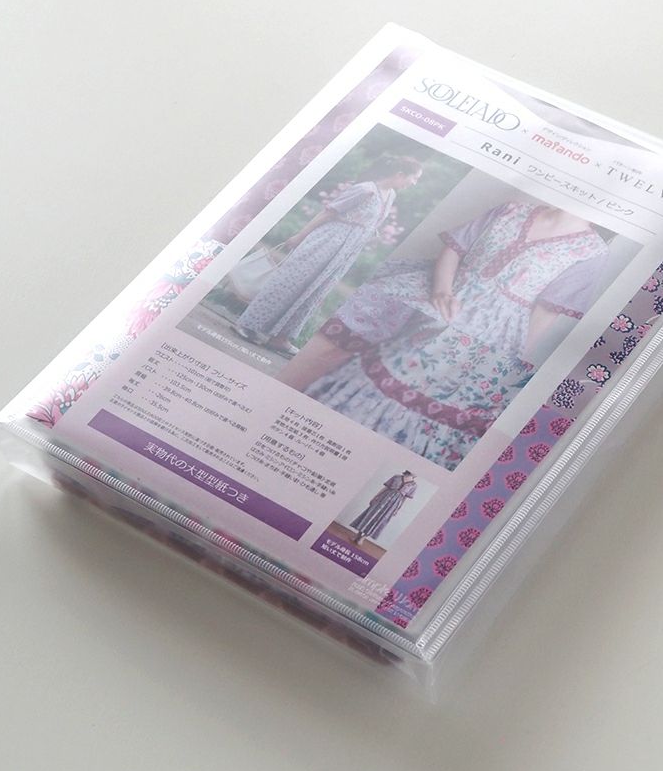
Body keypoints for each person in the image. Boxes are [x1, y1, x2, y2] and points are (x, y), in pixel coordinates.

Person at [292, 196, 609, 470]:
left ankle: (362, 455)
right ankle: (312, 421)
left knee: (423, 378)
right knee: (357, 329)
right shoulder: (512, 209)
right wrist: (442, 290)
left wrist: (513, 362)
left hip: (496, 323)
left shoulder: (591, 251)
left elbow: (547, 311)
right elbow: (455, 247)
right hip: (444, 288)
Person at [233, 154, 423, 356]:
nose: (414, 183)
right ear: (400, 174)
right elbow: (328, 212)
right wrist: (300, 236)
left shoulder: (390, 195)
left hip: (346, 251)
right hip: (328, 240)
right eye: (414, 178)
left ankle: (281, 338)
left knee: (315, 292)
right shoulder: (365, 189)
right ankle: (247, 324)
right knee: (290, 282)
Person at [350, 471, 417, 544]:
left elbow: (404, 498)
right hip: (383, 498)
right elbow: (385, 488)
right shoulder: (397, 477)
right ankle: (358, 535)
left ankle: (363, 538)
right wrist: (375, 497)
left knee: (380, 519)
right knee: (369, 515)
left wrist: (398, 509)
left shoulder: (414, 485)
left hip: (394, 504)